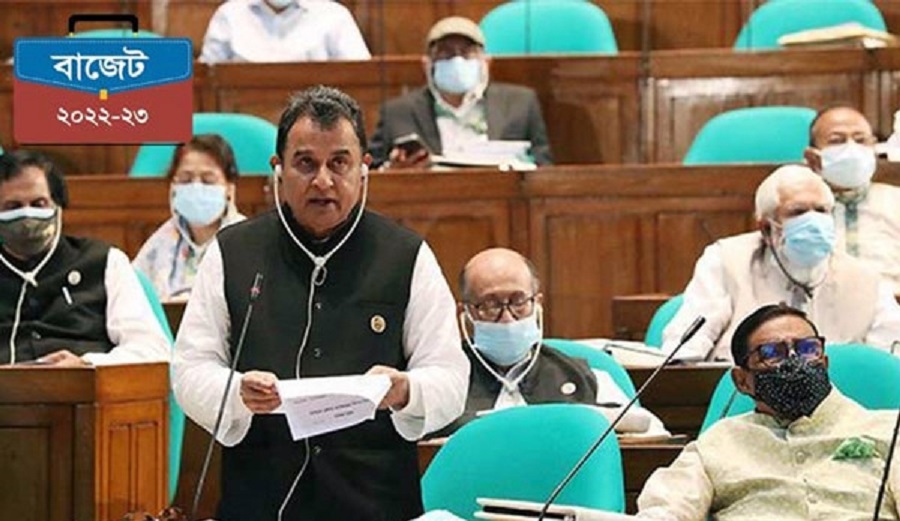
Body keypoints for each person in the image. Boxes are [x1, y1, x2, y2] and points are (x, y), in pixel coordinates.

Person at [173, 86, 469, 521]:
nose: (323, 181)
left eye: (339, 163)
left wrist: (406, 390)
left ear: (364, 169)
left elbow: (451, 376)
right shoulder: (232, 252)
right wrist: (236, 392)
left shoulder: (407, 255)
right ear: (278, 169)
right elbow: (189, 368)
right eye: (306, 164)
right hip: (260, 497)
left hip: (375, 501)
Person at [637, 303, 900, 520]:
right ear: (742, 381)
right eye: (772, 352)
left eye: (808, 349)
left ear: (825, 362)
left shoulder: (889, 430)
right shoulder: (718, 443)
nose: (795, 361)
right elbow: (667, 510)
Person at [662, 164, 900, 361]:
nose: (814, 221)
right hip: (746, 396)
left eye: (821, 210)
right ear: (766, 228)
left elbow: (890, 359)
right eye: (798, 212)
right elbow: (686, 346)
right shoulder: (725, 260)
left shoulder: (866, 278)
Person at [435, 247, 666, 436]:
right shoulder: (443, 381)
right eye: (490, 304)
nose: (507, 317)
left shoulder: (586, 376)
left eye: (518, 301)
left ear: (537, 303)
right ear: (467, 313)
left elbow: (651, 434)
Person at [0, 151, 170, 366]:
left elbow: (153, 350)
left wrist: (86, 364)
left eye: (39, 204)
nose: (27, 215)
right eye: (13, 207)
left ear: (58, 207)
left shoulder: (105, 262)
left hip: (87, 385)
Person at [368, 16, 552, 169]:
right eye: (445, 53)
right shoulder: (397, 113)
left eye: (467, 52)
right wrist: (391, 170)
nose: (457, 60)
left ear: (486, 62)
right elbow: (371, 173)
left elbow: (543, 166)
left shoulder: (520, 104)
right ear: (427, 64)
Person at [133, 134, 246, 301]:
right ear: (173, 187)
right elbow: (132, 292)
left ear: (229, 188)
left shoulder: (247, 240)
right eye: (186, 179)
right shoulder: (161, 240)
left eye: (208, 180)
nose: (196, 187)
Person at [803, 106, 900, 294]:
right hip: (820, 305)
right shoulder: (798, 209)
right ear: (813, 158)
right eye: (836, 141)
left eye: (860, 140)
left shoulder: (896, 200)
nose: (851, 149)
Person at [199, 0, 371, 64]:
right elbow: (205, 77)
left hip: (320, 122)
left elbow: (361, 74)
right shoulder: (229, 14)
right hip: (243, 116)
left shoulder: (334, 14)